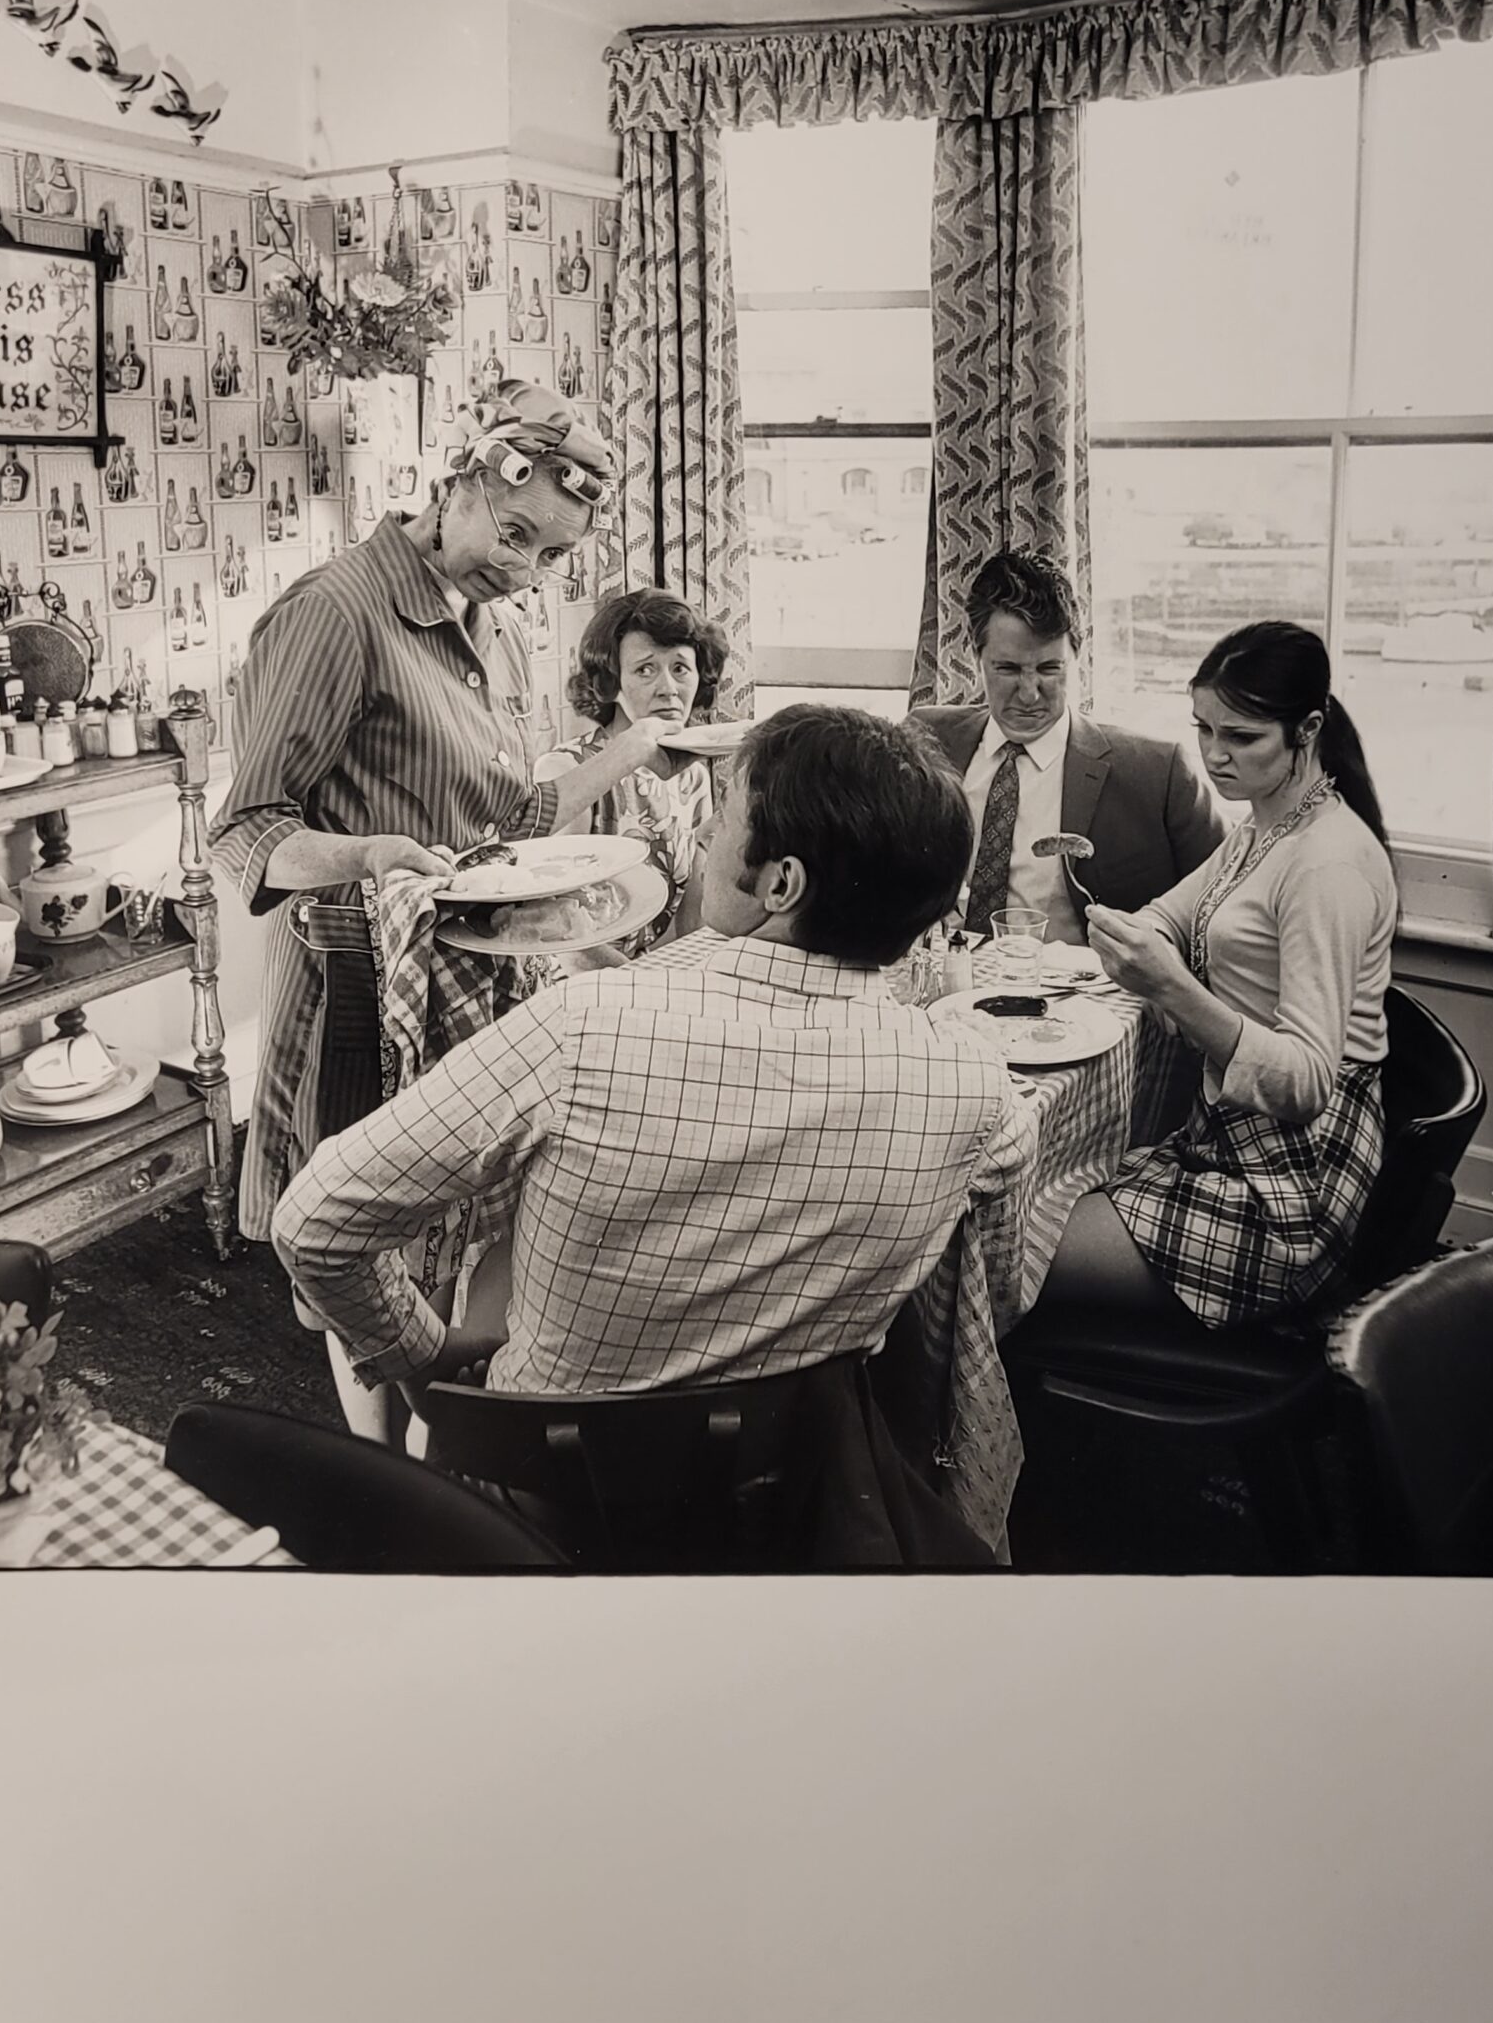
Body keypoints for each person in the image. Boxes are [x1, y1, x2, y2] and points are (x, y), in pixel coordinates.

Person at [270, 705, 1035, 1405]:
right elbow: (991, 1293)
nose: (702, 835)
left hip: (547, 1483)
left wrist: (423, 1353)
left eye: (725, 812)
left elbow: (312, 1220)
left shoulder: (579, 1027)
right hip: (801, 1480)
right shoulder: (976, 1088)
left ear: (781, 883)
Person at [211, 379, 682, 1434]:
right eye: (514, 533)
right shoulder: (339, 613)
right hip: (353, 990)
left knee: (443, 1238)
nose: (523, 569)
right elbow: (245, 829)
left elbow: (512, 812)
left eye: (551, 557)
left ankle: (429, 1452)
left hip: (461, 988)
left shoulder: (497, 625)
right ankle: (385, 1479)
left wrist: (634, 751)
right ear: (459, 480)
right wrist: (373, 854)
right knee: (359, 1247)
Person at [1032, 620, 1399, 1333]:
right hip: (1227, 1141)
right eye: (1203, 728)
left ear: (1309, 729)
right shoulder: (1267, 825)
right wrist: (1144, 943)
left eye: (1241, 737)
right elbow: (1168, 916)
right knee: (1027, 1199)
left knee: (1012, 1238)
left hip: (1291, 1184)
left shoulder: (1325, 864)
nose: (1214, 755)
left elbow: (1303, 1082)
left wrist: (1171, 987)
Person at [908, 549, 1225, 941]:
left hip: (1083, 994)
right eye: (1007, 669)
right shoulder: (925, 737)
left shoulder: (1159, 772)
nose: (1028, 694)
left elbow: (1226, 905)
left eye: (1048, 669)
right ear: (977, 659)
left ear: (1077, 656)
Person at [532, 584, 728, 954]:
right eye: (645, 670)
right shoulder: (567, 768)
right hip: (576, 979)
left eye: (680, 668)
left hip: (648, 978)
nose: (668, 688)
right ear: (611, 683)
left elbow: (692, 912)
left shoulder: (692, 773)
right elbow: (556, 926)